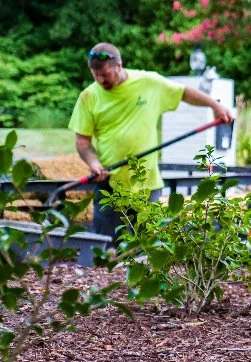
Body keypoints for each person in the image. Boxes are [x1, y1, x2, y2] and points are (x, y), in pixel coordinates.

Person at [68, 42, 233, 239]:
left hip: (147, 183)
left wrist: (215, 105)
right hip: (109, 185)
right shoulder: (88, 96)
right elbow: (83, 142)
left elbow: (183, 93)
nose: (101, 80)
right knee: (105, 251)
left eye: (105, 74)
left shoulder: (148, 82)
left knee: (150, 247)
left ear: (119, 66)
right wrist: (93, 163)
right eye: (96, 75)